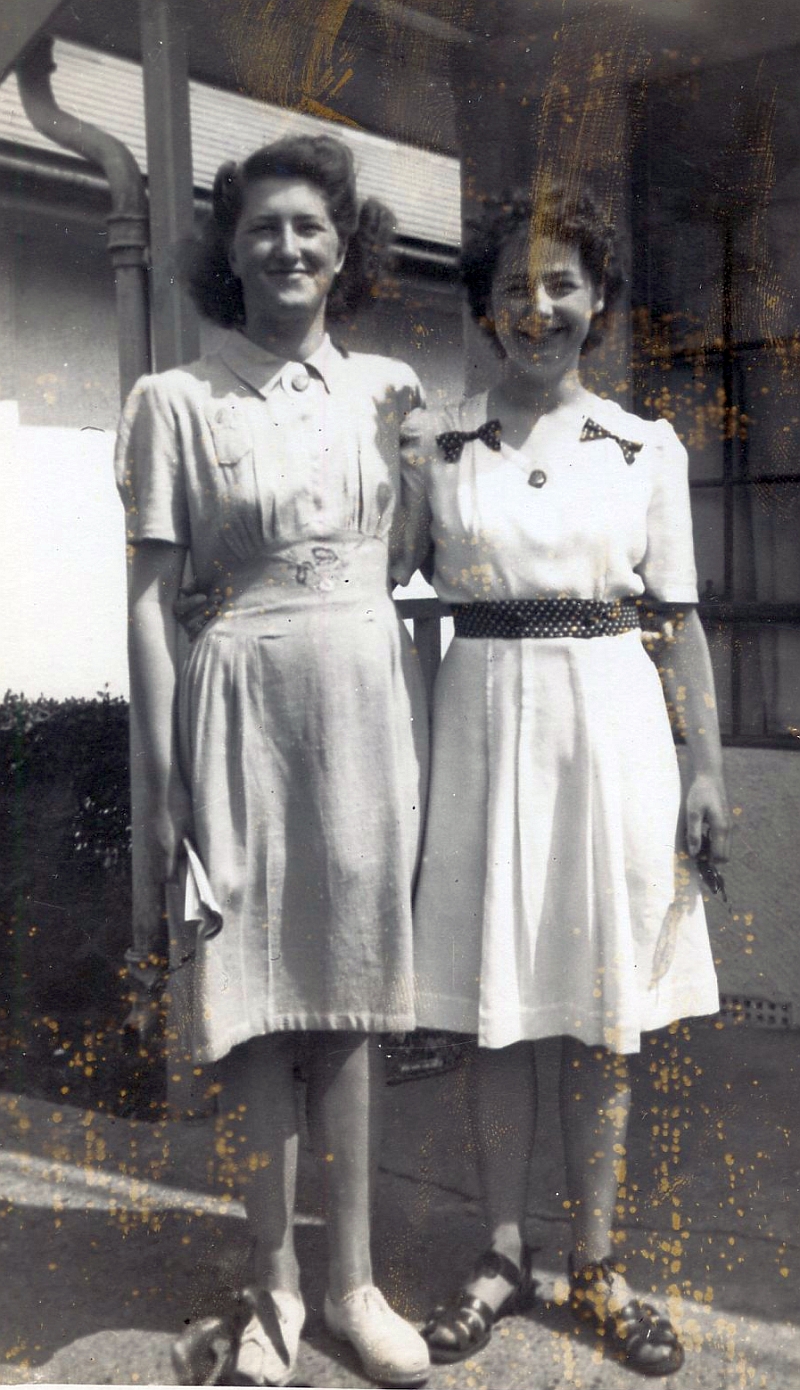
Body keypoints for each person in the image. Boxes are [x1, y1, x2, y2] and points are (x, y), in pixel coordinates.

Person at [393, 184, 731, 1376]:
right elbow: (385, 591)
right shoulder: (433, 446)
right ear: (483, 308)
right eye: (512, 288)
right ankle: (499, 1253)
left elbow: (677, 622)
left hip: (609, 738)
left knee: (598, 1014)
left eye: (560, 284)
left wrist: (704, 770)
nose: (536, 308)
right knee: (494, 1009)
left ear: (598, 301)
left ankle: (592, 1260)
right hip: (481, 732)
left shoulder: (643, 447)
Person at [115, 134, 430, 1388]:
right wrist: (162, 783)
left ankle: (351, 1282)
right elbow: (150, 605)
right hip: (239, 701)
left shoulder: (390, 390)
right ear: (228, 250)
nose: (288, 246)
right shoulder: (174, 400)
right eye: (263, 227)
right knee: (251, 1014)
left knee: (347, 1003)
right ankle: (273, 1288)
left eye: (310, 226)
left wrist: (419, 472)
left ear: (344, 249)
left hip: (363, 701)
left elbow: (413, 560)